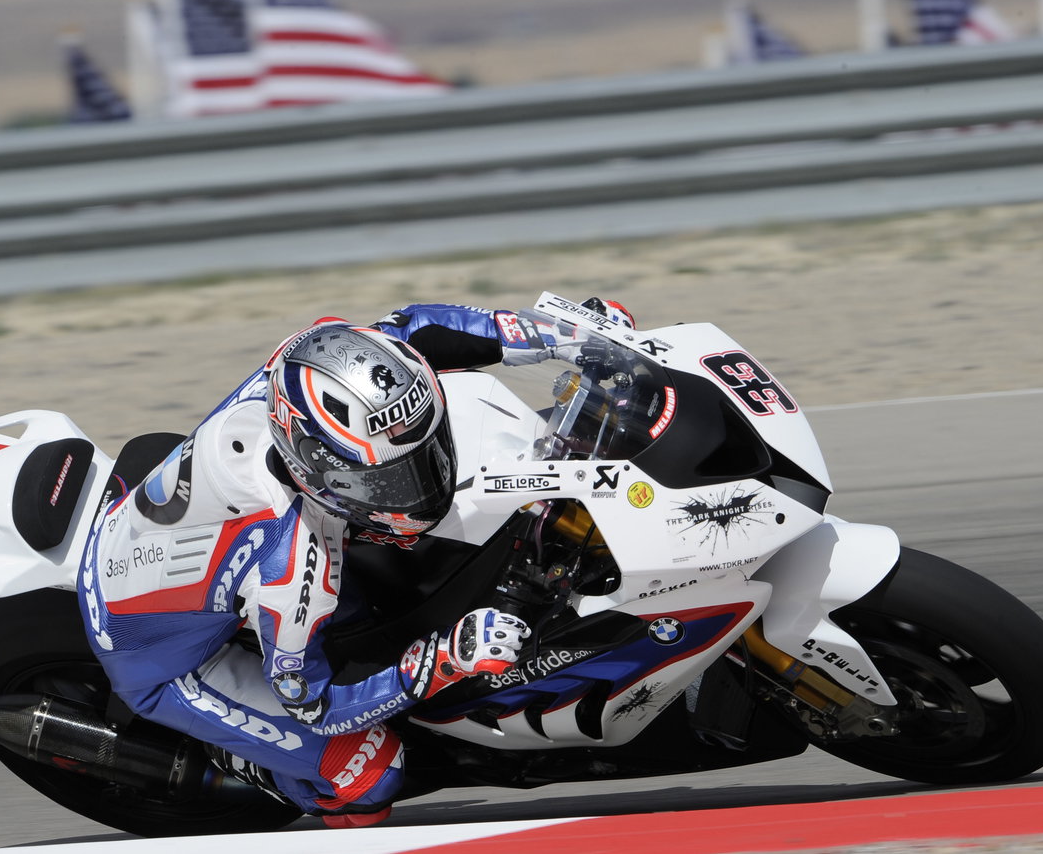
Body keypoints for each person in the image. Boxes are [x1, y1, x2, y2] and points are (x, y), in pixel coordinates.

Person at [76, 299, 635, 828]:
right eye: (390, 480)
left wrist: (561, 337)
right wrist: (443, 660)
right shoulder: (292, 570)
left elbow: (415, 330)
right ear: (317, 469)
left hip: (169, 541)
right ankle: (250, 768)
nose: (420, 486)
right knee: (371, 776)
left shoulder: (311, 362)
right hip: (158, 657)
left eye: (422, 458)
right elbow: (312, 707)